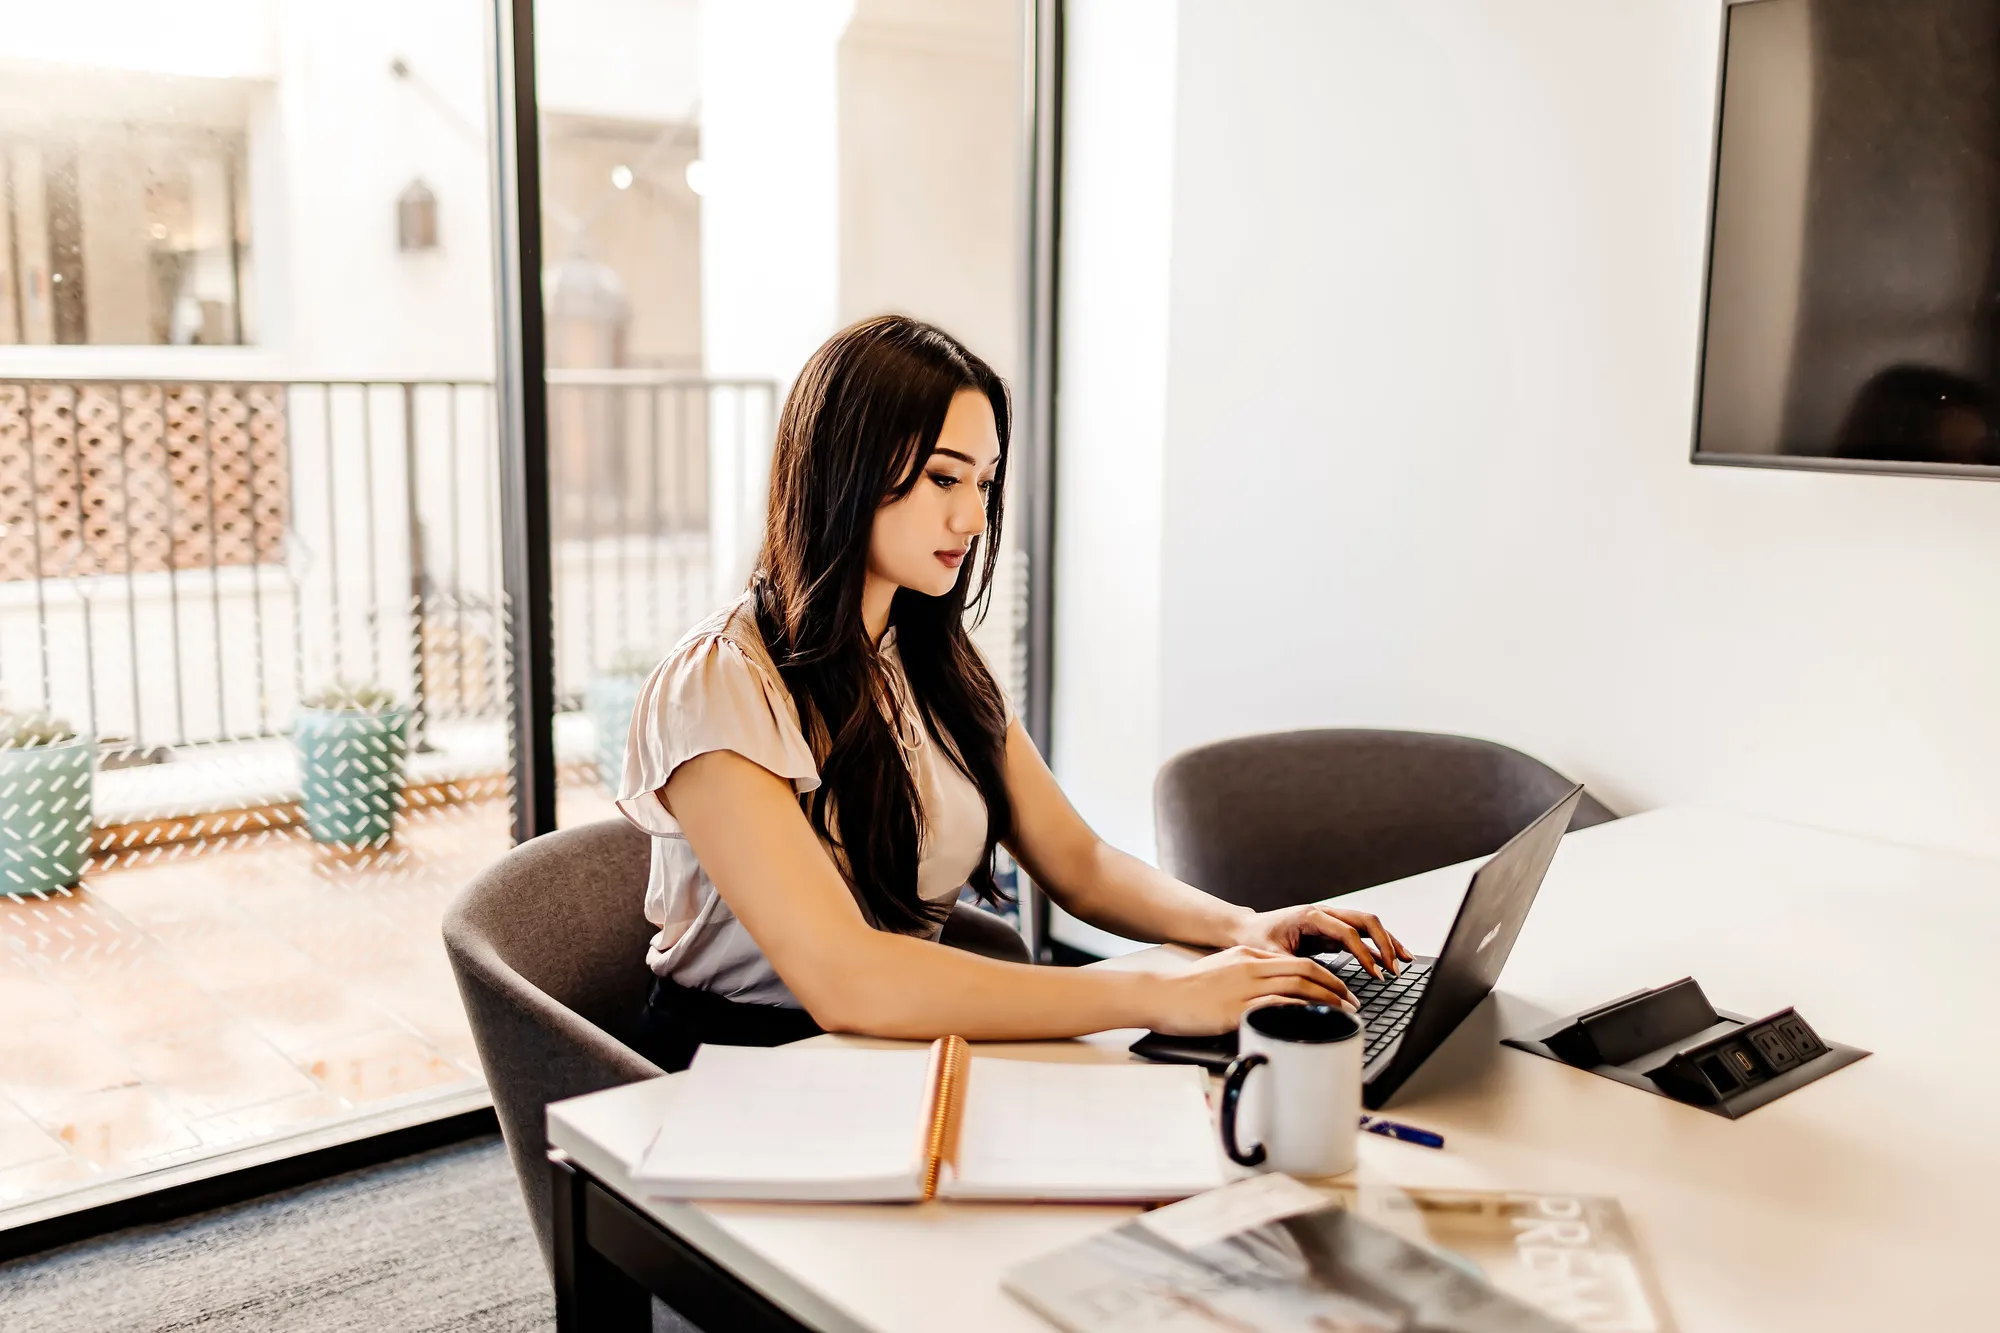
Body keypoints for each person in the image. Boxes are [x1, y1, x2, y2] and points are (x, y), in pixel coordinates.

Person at [616, 314, 1408, 1072]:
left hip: (895, 1046)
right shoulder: (719, 683)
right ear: (845, 470)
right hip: (737, 1069)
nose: (973, 515)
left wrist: (1249, 926)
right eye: (942, 477)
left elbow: (1081, 862)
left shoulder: (933, 659)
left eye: (985, 482)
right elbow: (846, 978)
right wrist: (1158, 992)